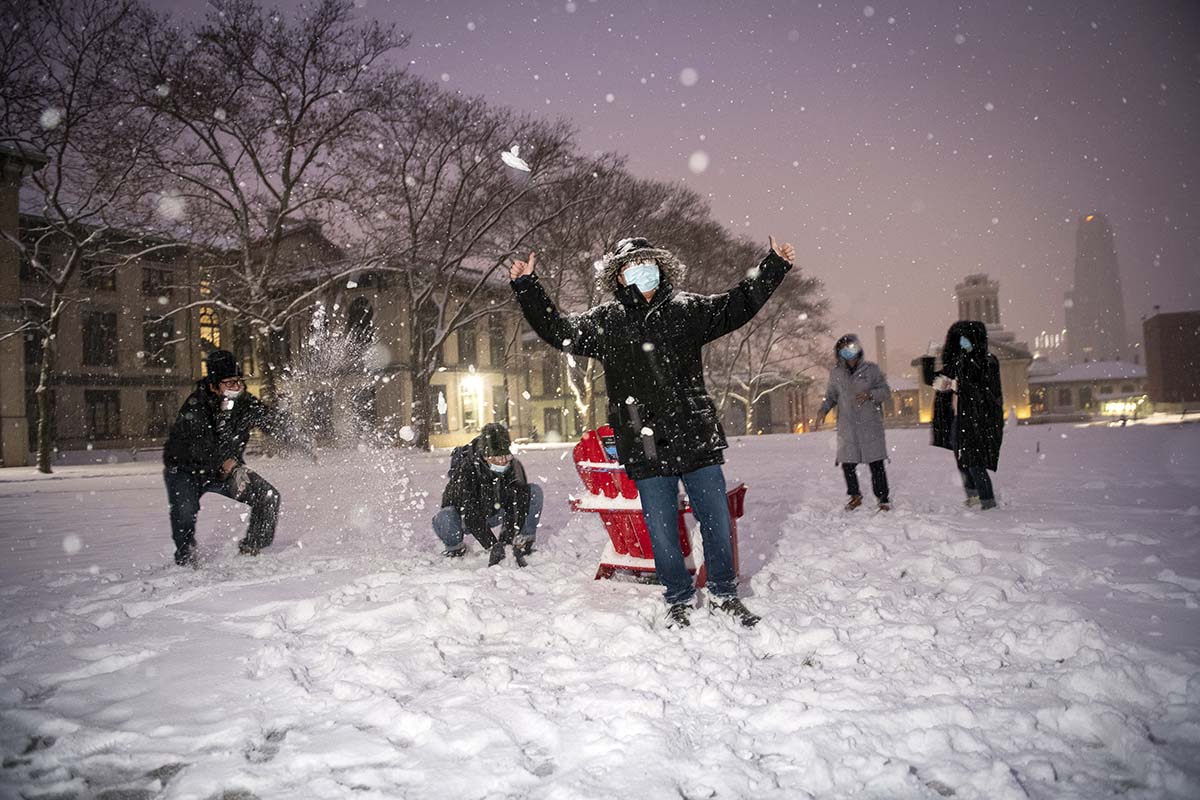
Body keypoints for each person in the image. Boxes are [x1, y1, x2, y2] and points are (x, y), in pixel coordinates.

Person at [509, 235, 796, 627]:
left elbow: (739, 303)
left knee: (715, 520)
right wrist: (528, 286)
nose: (641, 269)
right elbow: (557, 329)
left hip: (695, 433)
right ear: (619, 275)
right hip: (643, 441)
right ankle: (678, 596)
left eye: (648, 262)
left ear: (660, 267)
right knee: (661, 529)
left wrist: (774, 264)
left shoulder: (687, 309)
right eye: (632, 265)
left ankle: (724, 593)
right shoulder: (606, 322)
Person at [162, 349, 305, 567]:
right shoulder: (196, 406)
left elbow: (271, 420)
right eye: (229, 382)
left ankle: (251, 548)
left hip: (226, 470)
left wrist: (298, 436)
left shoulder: (245, 403)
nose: (236, 386)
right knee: (185, 511)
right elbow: (198, 443)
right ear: (213, 386)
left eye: (238, 381)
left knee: (267, 496)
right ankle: (186, 556)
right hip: (185, 471)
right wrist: (223, 460)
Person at [434, 422, 543, 567]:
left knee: (533, 492)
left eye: (505, 455)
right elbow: (470, 513)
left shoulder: (513, 467)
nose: (503, 461)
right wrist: (492, 545)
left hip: (495, 511)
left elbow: (517, 506)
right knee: (445, 516)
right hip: (462, 518)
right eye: (497, 457)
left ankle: (523, 542)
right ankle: (455, 549)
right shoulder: (467, 469)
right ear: (485, 455)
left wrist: (506, 542)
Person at [920, 320, 1003, 509]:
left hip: (978, 421)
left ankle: (988, 501)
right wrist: (930, 355)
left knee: (975, 463)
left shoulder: (988, 361)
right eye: (960, 339)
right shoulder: (959, 361)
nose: (962, 342)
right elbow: (931, 379)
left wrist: (960, 387)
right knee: (963, 461)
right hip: (959, 420)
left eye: (966, 338)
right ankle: (973, 496)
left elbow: (987, 391)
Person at [816, 333, 892, 511]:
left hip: (869, 425)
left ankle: (883, 498)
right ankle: (855, 495)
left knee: (876, 463)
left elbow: (885, 391)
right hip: (847, 425)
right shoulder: (836, 373)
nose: (849, 355)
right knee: (848, 463)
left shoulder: (871, 370)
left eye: (852, 350)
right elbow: (831, 396)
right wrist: (823, 410)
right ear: (840, 353)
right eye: (845, 351)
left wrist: (870, 394)